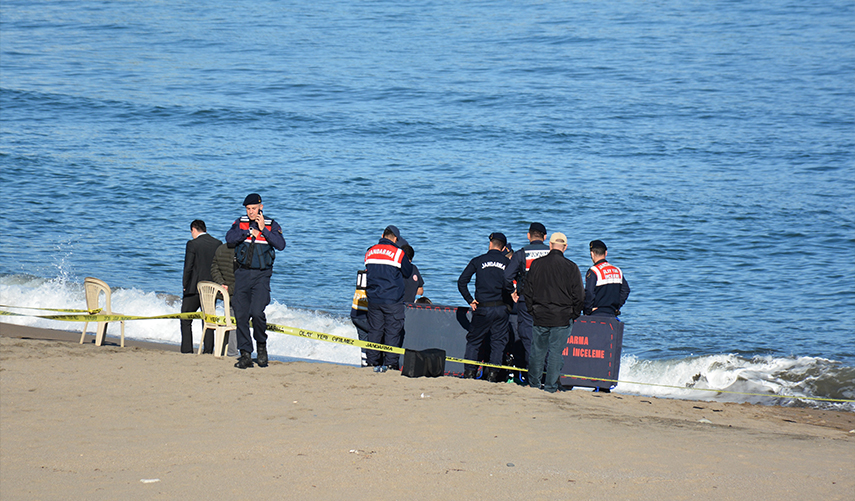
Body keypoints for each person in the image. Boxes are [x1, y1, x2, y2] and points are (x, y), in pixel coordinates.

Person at [225, 193, 286, 369]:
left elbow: (281, 245)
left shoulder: (271, 224)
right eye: (248, 209)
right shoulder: (240, 222)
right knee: (241, 314)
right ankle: (245, 353)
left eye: (254, 208)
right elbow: (229, 239)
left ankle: (261, 347)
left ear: (261, 207)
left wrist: (263, 230)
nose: (251, 212)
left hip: (262, 275)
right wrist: (247, 232)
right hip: (243, 274)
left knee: (257, 312)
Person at [523, 232, 584, 393]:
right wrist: (574, 313)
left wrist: (531, 309)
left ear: (549, 245)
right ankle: (550, 387)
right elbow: (579, 295)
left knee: (538, 352)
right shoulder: (571, 267)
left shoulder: (536, 264)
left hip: (540, 313)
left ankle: (534, 384)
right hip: (562, 316)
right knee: (556, 353)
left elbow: (527, 290)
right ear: (565, 247)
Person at [457, 232, 514, 382]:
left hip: (482, 308)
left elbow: (462, 282)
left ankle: (469, 374)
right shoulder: (508, 263)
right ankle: (493, 376)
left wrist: (470, 300)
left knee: (474, 342)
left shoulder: (478, 260)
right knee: (498, 343)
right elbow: (516, 284)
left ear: (490, 244)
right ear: (503, 248)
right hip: (501, 309)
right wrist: (510, 303)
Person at [364, 225, 413, 372]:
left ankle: (372, 362)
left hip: (373, 298)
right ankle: (390, 364)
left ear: (382, 235)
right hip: (392, 299)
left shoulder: (370, 251)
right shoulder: (398, 253)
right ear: (395, 238)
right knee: (393, 331)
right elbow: (408, 272)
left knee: (374, 331)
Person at [504, 222, 550, 379]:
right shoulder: (552, 253)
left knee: (528, 337)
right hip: (548, 302)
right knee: (547, 336)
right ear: (545, 237)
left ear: (528, 236)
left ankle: (534, 376)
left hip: (526, 301)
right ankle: (548, 375)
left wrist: (512, 292)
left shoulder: (521, 253)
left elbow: (507, 277)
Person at [180, 220, 222, 354]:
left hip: (194, 287)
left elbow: (188, 267)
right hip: (211, 288)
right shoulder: (217, 243)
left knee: (185, 318)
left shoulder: (192, 244)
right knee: (208, 320)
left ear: (193, 229)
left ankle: (187, 349)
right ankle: (208, 350)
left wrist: (185, 284)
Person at [584, 240, 630, 317]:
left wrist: (587, 310)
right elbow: (625, 290)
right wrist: (616, 307)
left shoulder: (594, 271)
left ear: (592, 254)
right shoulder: (617, 270)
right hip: (612, 313)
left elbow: (589, 292)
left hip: (597, 313)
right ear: (606, 253)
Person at [210, 242, 240, 357]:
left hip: (223, 291)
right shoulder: (242, 249)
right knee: (234, 322)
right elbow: (242, 275)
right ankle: (232, 351)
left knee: (228, 320)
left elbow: (214, 267)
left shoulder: (221, 248)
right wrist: (230, 289)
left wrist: (221, 284)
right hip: (235, 292)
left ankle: (224, 349)